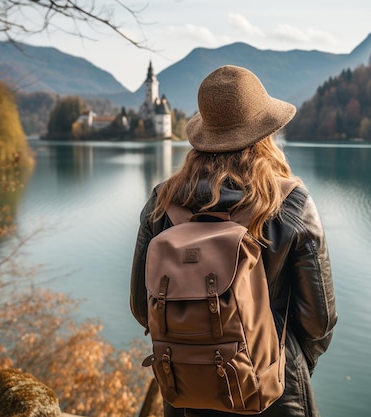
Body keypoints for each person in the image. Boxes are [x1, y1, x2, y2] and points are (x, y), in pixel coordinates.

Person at [130, 65, 337, 417]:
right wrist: (276, 365)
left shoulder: (161, 202)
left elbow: (141, 306)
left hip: (185, 393)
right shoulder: (290, 202)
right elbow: (318, 321)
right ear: (264, 134)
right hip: (274, 395)